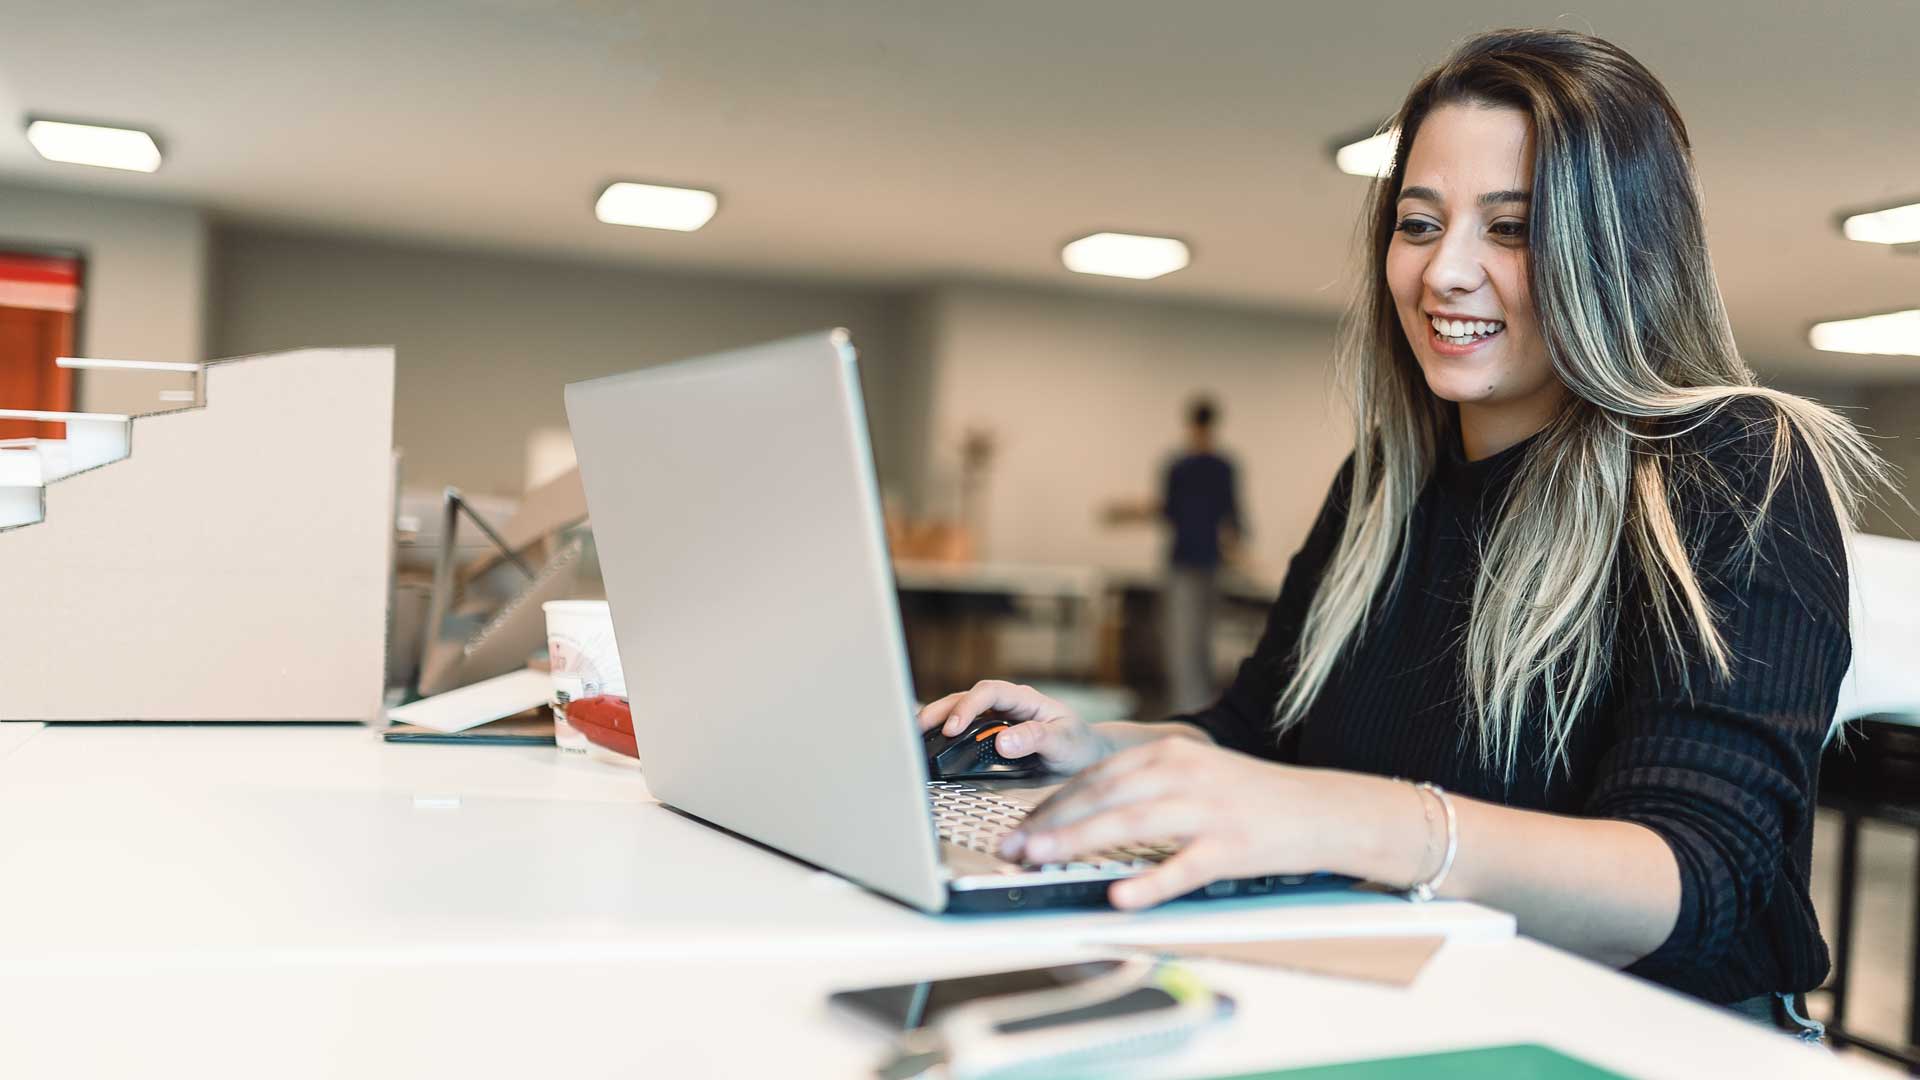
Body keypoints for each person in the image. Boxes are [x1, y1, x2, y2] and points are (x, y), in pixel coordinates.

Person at [917, 28, 1888, 1038]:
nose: (1445, 273)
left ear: (1621, 249)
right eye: (1419, 224)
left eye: (1511, 229)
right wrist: (1085, 751)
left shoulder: (1731, 463)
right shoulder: (1387, 480)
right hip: (1407, 996)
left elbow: (1694, 882)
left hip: (1639, 1034)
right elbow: (1257, 738)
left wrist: (1359, 819)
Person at [1105, 397, 1246, 713]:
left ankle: (1199, 707)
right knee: (1185, 640)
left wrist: (1239, 553)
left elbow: (1231, 516)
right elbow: (1224, 516)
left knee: (1198, 640)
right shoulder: (1186, 467)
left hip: (1205, 563)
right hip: (1186, 562)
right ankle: (1188, 707)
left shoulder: (1211, 467)